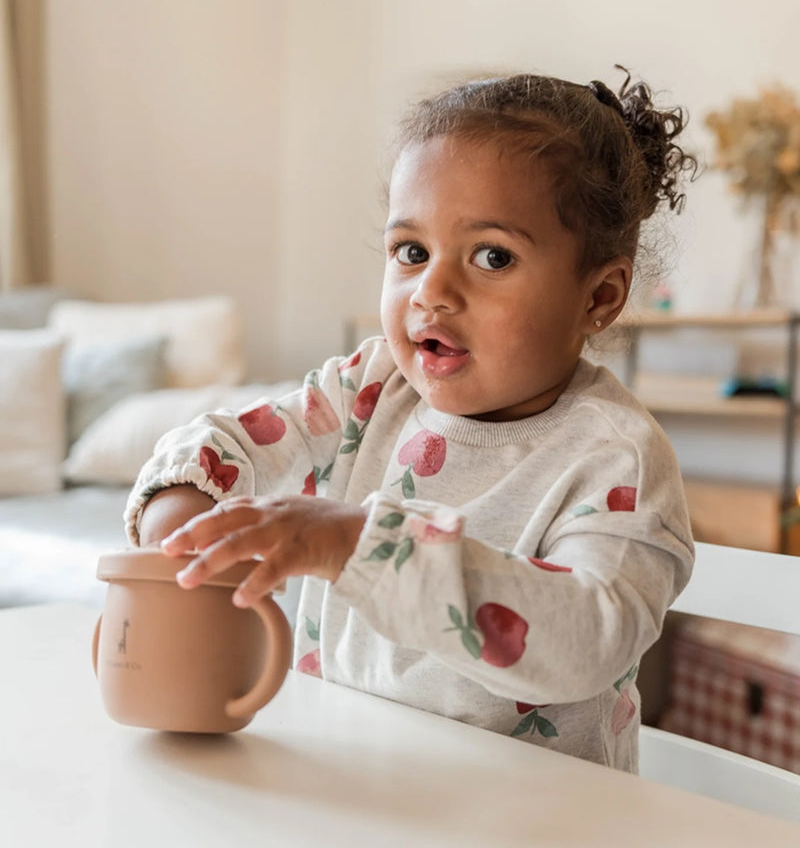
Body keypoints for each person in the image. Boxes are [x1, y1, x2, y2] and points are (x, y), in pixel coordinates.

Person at [126, 68, 698, 772]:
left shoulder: (617, 459)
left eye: (493, 256)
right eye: (412, 252)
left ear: (599, 296)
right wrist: (180, 506)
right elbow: (230, 440)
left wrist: (359, 545)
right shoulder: (369, 389)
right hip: (348, 775)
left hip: (533, 816)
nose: (432, 290)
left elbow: (588, 636)